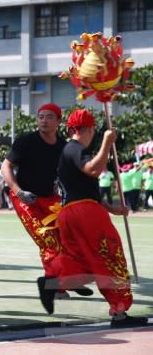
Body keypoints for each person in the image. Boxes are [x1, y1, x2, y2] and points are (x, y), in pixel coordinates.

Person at [37, 109, 148, 329]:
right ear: (88, 129)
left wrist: (112, 209)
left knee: (81, 261)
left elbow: (86, 189)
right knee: (110, 257)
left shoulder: (68, 151)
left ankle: (53, 282)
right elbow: (93, 170)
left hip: (70, 212)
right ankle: (119, 311)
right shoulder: (76, 149)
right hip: (85, 213)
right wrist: (107, 142)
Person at [1, 103, 89, 299]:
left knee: (68, 240)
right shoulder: (25, 141)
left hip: (52, 200)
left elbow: (71, 175)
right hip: (25, 198)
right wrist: (19, 191)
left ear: (59, 121)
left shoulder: (63, 147)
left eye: (49, 117)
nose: (44, 120)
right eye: (41, 116)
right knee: (49, 242)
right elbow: (6, 167)